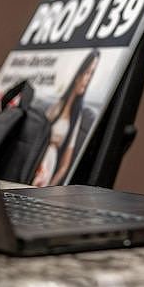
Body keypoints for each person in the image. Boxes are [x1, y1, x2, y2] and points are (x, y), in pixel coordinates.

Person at [32, 49, 100, 187]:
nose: (87, 80)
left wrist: (48, 189)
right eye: (87, 72)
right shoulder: (56, 106)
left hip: (47, 167)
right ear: (78, 74)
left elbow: (64, 166)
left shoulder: (76, 118)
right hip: (35, 158)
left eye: (92, 75)